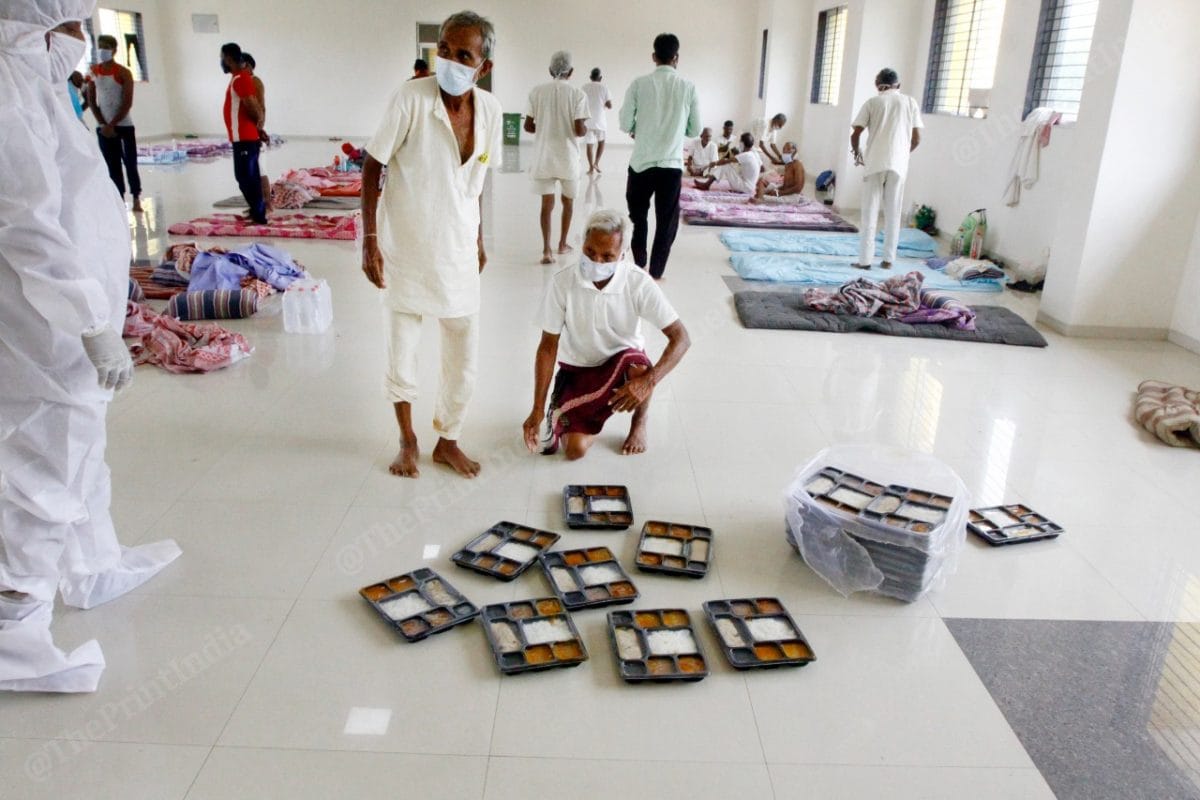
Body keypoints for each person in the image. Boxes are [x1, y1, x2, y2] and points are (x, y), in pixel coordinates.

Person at [0, 0, 181, 694]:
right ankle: (14, 631)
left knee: (83, 444)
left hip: (70, 318)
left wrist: (106, 299)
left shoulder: (38, 80)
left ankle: (92, 564)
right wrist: (88, 318)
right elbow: (26, 223)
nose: (84, 38)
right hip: (42, 325)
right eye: (75, 22)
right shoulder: (9, 84)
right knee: (44, 461)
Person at [360, 10, 501, 480]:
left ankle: (448, 440)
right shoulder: (411, 98)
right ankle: (408, 440)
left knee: (464, 356)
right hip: (406, 248)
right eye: (444, 50)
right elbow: (372, 166)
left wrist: (478, 237)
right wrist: (370, 240)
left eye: (463, 55)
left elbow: (477, 181)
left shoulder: (490, 111)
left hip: (457, 250)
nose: (449, 61)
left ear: (484, 66)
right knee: (402, 350)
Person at [523, 209, 690, 460]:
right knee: (575, 450)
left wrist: (648, 381)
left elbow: (681, 338)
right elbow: (548, 346)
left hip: (624, 368)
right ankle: (593, 415)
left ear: (623, 254)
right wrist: (537, 409)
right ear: (583, 243)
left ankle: (639, 422)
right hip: (579, 369)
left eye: (607, 256)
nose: (597, 262)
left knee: (640, 368)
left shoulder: (637, 282)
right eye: (590, 252)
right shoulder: (563, 282)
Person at [619, 33, 700, 281]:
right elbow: (694, 130)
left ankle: (639, 263)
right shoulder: (688, 87)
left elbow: (624, 123)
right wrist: (676, 129)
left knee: (638, 217)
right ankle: (656, 271)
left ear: (654, 56)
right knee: (666, 221)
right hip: (671, 166)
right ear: (677, 58)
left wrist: (638, 128)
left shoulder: (638, 84)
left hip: (641, 164)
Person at [850, 68, 923, 269]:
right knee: (893, 213)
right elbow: (917, 139)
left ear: (877, 85)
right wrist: (902, 155)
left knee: (870, 213)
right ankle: (888, 260)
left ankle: (865, 261)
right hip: (898, 165)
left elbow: (855, 134)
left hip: (874, 163)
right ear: (898, 85)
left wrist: (856, 153)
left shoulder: (873, 103)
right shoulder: (910, 102)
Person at [525, 50, 589, 265]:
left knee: (546, 205)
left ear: (550, 70)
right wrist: (584, 128)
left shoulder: (536, 92)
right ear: (571, 71)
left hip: (544, 156)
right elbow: (579, 130)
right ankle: (562, 244)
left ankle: (546, 250)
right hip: (568, 157)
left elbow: (528, 126)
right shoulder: (578, 94)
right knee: (568, 202)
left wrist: (546, 126)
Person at [87, 33, 142, 212]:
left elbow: (127, 102)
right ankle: (119, 199)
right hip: (103, 127)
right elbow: (91, 100)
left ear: (114, 50)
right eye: (100, 47)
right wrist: (103, 124)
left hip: (123, 126)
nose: (102, 50)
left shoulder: (123, 72)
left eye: (106, 47)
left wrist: (113, 124)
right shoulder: (94, 72)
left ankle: (136, 197)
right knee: (112, 165)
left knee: (130, 163)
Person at [219, 42, 267, 225]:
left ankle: (259, 215)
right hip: (242, 137)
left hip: (245, 138)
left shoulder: (241, 79)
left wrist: (257, 128)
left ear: (228, 58)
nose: (221, 62)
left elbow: (254, 107)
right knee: (247, 176)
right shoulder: (238, 79)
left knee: (246, 177)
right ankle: (256, 211)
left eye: (222, 58)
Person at [239, 51, 271, 209]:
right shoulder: (242, 82)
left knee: (259, 170)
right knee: (251, 172)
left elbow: (259, 108)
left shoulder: (253, 82)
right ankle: (258, 205)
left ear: (248, 66)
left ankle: (266, 204)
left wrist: (258, 130)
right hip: (246, 134)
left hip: (252, 134)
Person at [694, 131, 760, 194]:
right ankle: (707, 182)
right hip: (749, 187)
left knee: (725, 165)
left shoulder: (746, 155)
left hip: (745, 187)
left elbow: (726, 161)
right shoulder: (752, 154)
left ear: (742, 144)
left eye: (740, 142)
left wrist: (715, 163)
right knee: (728, 165)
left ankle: (707, 185)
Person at [581, 67, 611, 175]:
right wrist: (603, 103)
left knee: (589, 144)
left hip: (587, 120)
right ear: (600, 78)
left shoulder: (584, 87)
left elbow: (580, 103)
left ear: (590, 77)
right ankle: (596, 163)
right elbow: (609, 105)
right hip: (600, 120)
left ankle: (590, 168)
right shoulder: (604, 88)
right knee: (601, 142)